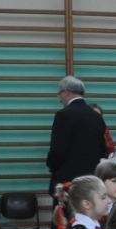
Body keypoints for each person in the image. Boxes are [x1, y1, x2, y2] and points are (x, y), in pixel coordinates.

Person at [46, 77, 107, 215]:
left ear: (66, 92)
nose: (60, 99)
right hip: (90, 182)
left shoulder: (64, 115)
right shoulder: (96, 117)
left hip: (67, 182)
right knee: (86, 218)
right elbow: (102, 149)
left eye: (59, 94)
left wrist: (52, 166)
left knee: (64, 221)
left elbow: (57, 151)